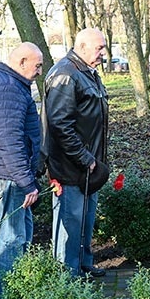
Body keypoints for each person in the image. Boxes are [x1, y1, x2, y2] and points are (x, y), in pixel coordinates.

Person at [0, 42, 43, 299]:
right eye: (37, 65)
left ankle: (18, 293)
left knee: (21, 234)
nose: (40, 70)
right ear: (22, 62)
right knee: (12, 239)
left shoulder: (7, 81)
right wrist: (27, 182)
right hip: (9, 176)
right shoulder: (8, 87)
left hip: (9, 174)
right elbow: (11, 141)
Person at [43, 28, 109, 277]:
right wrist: (84, 158)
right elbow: (60, 124)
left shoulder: (87, 73)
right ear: (81, 47)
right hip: (71, 166)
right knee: (70, 222)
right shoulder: (65, 74)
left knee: (85, 220)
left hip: (89, 165)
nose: (103, 52)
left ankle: (82, 265)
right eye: (98, 48)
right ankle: (66, 278)